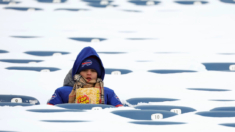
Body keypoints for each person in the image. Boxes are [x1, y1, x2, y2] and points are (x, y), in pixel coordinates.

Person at [48, 46, 123, 107]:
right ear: (78, 72)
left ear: (98, 74)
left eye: (93, 71)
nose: (89, 73)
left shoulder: (108, 93)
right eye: (84, 70)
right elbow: (49, 111)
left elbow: (119, 111)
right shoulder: (62, 92)